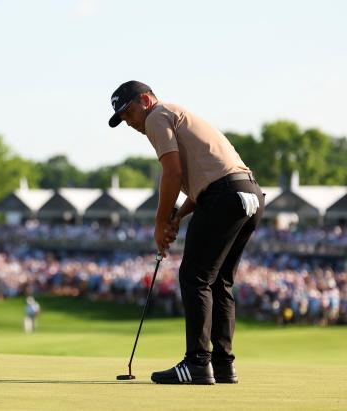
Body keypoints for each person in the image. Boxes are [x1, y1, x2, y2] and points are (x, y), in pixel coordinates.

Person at [108, 81, 265, 384]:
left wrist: (159, 222)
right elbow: (204, 182)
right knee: (219, 282)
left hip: (224, 196)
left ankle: (196, 363)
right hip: (249, 195)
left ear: (145, 99)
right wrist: (177, 217)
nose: (128, 122)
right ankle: (222, 364)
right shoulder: (181, 115)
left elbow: (173, 173)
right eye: (123, 118)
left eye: (128, 113)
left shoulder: (156, 115)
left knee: (194, 276)